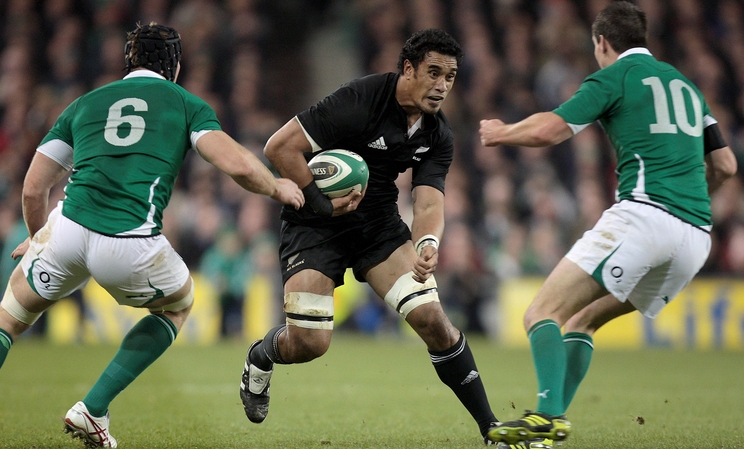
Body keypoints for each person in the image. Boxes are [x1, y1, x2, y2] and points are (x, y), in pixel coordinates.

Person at [0, 22, 303, 449]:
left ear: (128, 61)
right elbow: (238, 165)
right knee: (178, 306)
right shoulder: (185, 103)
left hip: (69, 229)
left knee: (6, 318)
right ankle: (92, 409)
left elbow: (33, 187)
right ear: (175, 65)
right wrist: (275, 185)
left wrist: (38, 236)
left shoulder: (85, 102)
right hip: (129, 240)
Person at [478, 3, 737, 448]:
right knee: (582, 321)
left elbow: (551, 130)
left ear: (601, 42)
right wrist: (687, 201)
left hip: (643, 217)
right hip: (695, 237)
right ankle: (549, 425)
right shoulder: (688, 87)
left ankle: (544, 418)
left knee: (542, 312)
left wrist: (501, 132)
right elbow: (726, 165)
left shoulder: (615, 76)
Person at [238, 28, 501, 446]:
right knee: (309, 344)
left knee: (434, 321)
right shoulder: (360, 99)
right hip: (314, 224)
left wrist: (428, 243)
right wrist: (319, 203)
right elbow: (279, 148)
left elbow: (430, 203)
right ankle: (260, 356)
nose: (442, 85)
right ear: (408, 69)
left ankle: (491, 428)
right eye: (433, 73)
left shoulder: (438, 134)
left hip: (377, 226)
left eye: (450, 76)